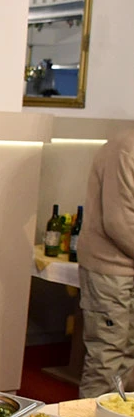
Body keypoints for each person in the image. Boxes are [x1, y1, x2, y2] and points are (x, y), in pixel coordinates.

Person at [76, 130, 134, 399]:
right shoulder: (125, 149)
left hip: (125, 269)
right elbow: (119, 223)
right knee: (107, 359)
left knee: (128, 360)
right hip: (111, 271)